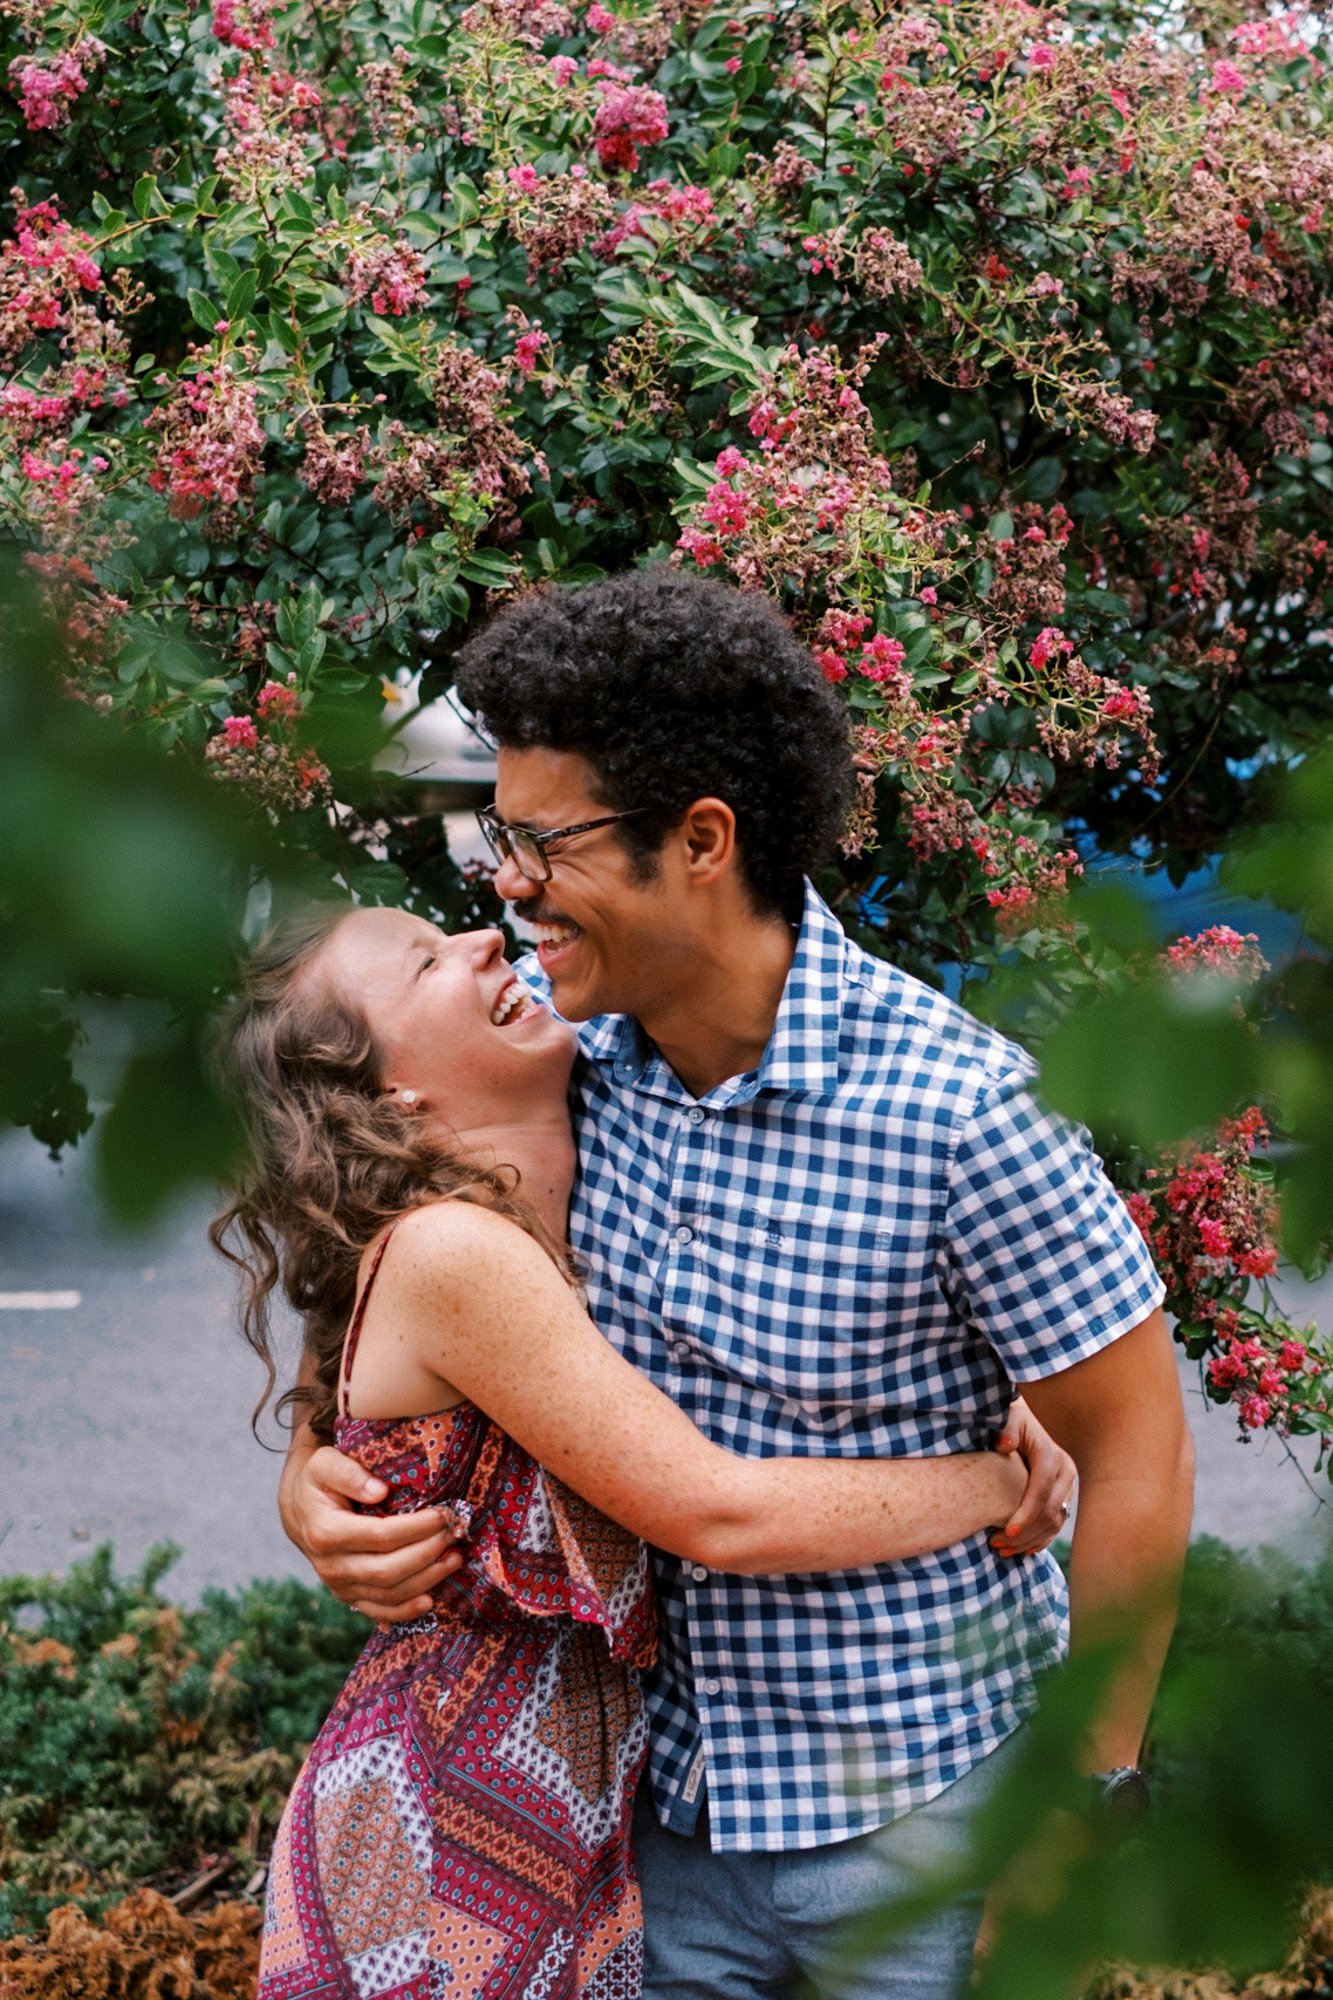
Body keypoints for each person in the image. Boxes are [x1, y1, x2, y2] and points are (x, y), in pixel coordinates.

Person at [280, 567, 1195, 2000]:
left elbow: (1134, 1452)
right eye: (499, 839)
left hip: (920, 1829)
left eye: (542, 842)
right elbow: (378, 1243)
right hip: (651, 1828)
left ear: (698, 841)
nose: (507, 886)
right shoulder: (560, 1062)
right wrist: (314, 1477)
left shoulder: (959, 1116)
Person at [214, 903, 1075, 1999]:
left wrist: (1040, 1368)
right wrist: (999, 1479)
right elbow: (713, 1510)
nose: (487, 940)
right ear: (394, 1095)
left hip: (563, 1799)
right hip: (453, 1824)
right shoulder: (455, 1248)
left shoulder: (569, 1071)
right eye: (429, 960)